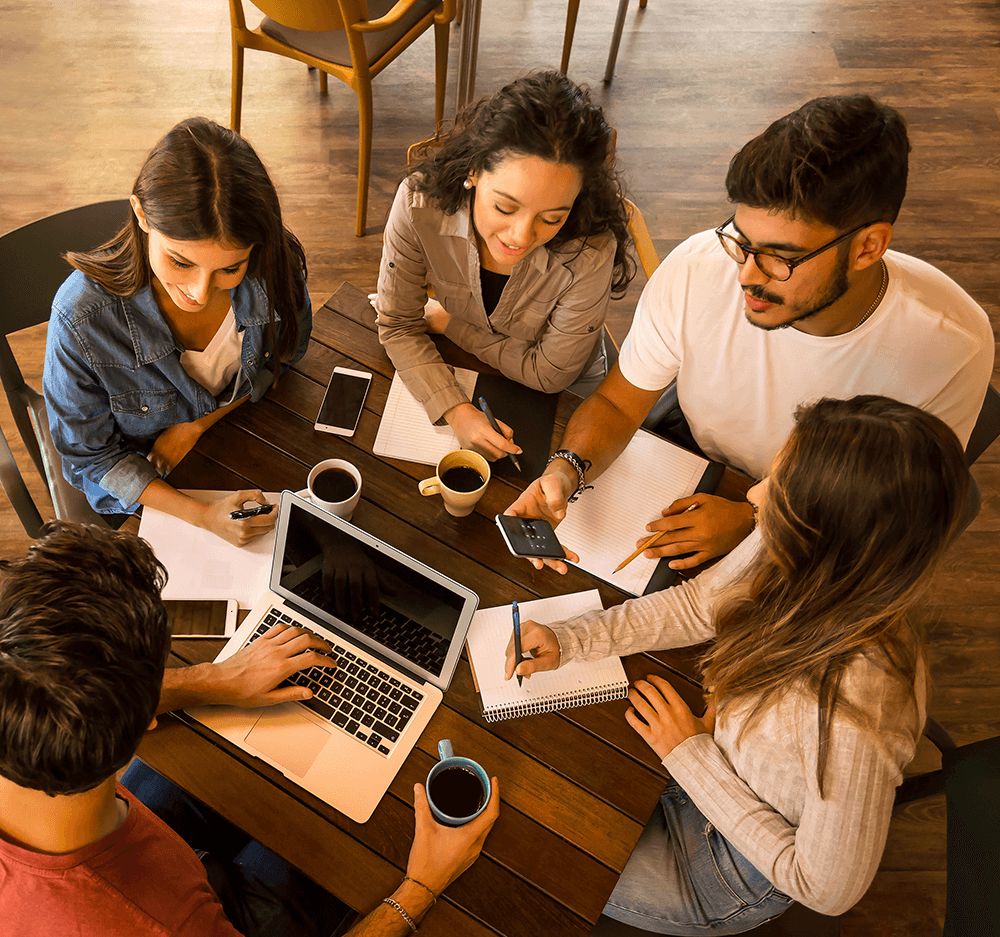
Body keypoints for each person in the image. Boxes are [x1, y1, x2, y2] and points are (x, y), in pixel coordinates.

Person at [504, 396, 965, 932]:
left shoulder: (859, 712)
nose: (753, 495)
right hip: (709, 748)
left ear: (829, 533)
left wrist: (691, 756)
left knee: (523, 847)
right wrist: (574, 640)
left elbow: (826, 888)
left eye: (779, 489)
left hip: (730, 862)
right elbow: (701, 605)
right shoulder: (809, 547)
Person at [0, 521, 500, 937]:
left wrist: (212, 681)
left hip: (120, 872)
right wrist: (420, 888)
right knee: (327, 859)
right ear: (142, 724)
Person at [506, 94, 993, 572]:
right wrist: (565, 468)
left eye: (781, 256)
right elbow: (617, 403)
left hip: (817, 513)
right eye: (741, 240)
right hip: (697, 454)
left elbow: (892, 510)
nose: (744, 276)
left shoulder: (951, 345)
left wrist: (754, 518)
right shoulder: (701, 267)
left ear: (868, 247)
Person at [44, 117, 313, 547]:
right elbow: (91, 460)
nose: (200, 292)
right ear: (141, 214)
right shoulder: (81, 319)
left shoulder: (273, 261)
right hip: (148, 488)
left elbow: (287, 351)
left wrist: (197, 425)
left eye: (230, 268)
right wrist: (202, 516)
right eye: (181, 262)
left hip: (238, 437)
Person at [373, 71, 635, 460]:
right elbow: (396, 325)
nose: (521, 237)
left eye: (552, 218)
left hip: (570, 393)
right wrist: (456, 410)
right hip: (483, 372)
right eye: (505, 207)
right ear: (474, 171)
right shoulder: (418, 206)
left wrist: (449, 323)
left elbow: (550, 376)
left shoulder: (590, 251)